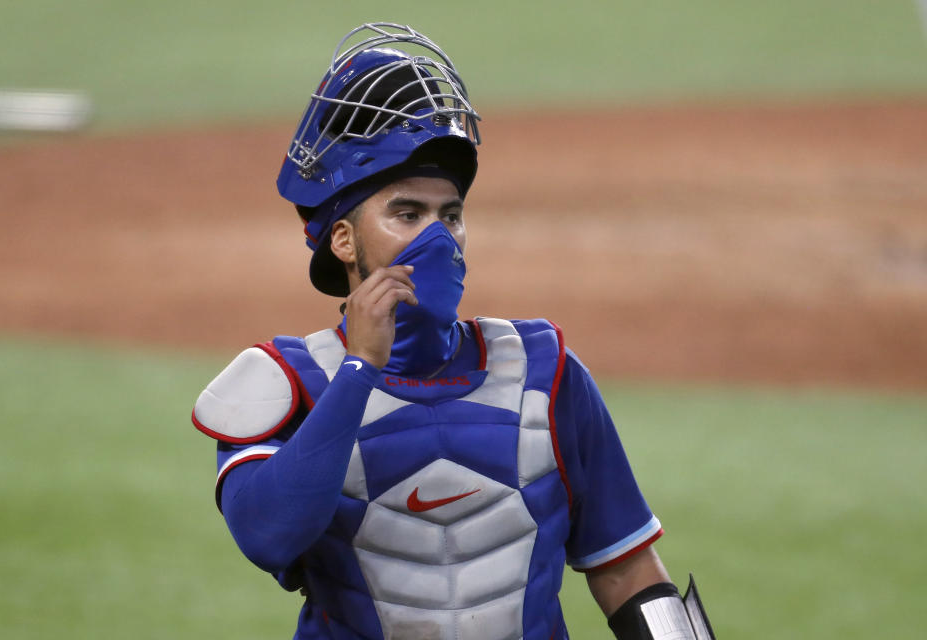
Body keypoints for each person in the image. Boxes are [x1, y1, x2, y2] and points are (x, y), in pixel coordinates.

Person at [192, 22, 715, 640]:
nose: (437, 239)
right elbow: (268, 533)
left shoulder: (545, 374)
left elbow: (627, 571)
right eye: (406, 213)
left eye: (451, 216)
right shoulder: (285, 384)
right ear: (344, 240)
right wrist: (359, 368)